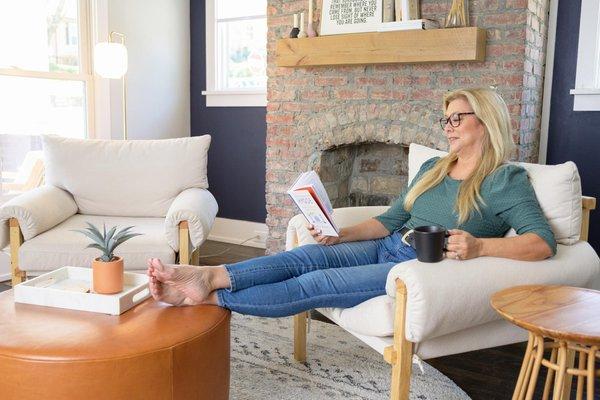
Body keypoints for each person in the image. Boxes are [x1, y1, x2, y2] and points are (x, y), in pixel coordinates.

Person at [147, 87, 555, 315]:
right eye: (444, 119)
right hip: (386, 245)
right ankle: (210, 275)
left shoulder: (506, 179)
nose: (447, 127)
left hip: (416, 268)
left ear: (486, 121)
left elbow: (542, 242)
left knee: (314, 282)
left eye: (457, 118)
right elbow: (391, 218)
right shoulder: (434, 167)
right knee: (302, 257)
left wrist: (481, 245)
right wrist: (339, 234)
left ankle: (206, 297)